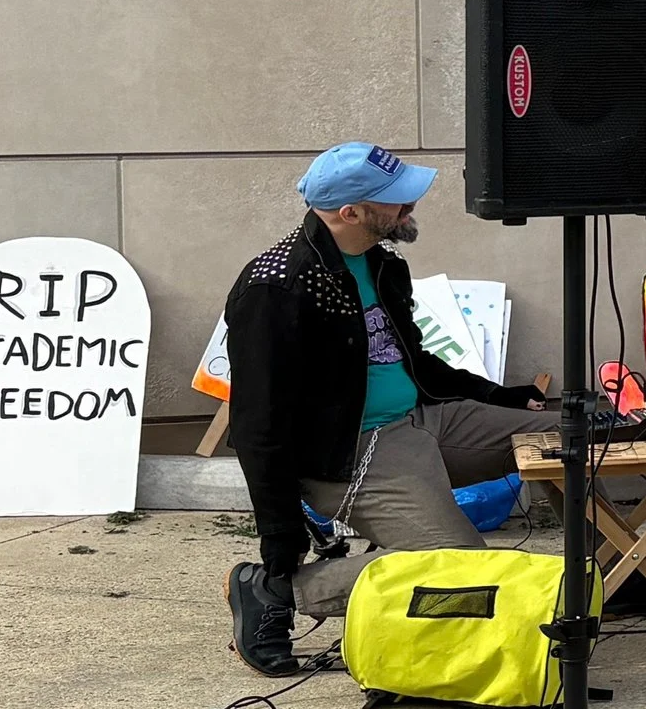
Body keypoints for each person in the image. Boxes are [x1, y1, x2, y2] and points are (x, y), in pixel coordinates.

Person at [222, 145, 544, 676]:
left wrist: (498, 395)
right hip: (355, 451)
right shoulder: (275, 288)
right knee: (462, 570)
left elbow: (414, 360)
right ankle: (277, 590)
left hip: (427, 420)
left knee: (582, 440)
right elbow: (259, 428)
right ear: (350, 212)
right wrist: (282, 542)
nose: (410, 208)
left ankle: (626, 582)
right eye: (396, 202)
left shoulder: (380, 262)